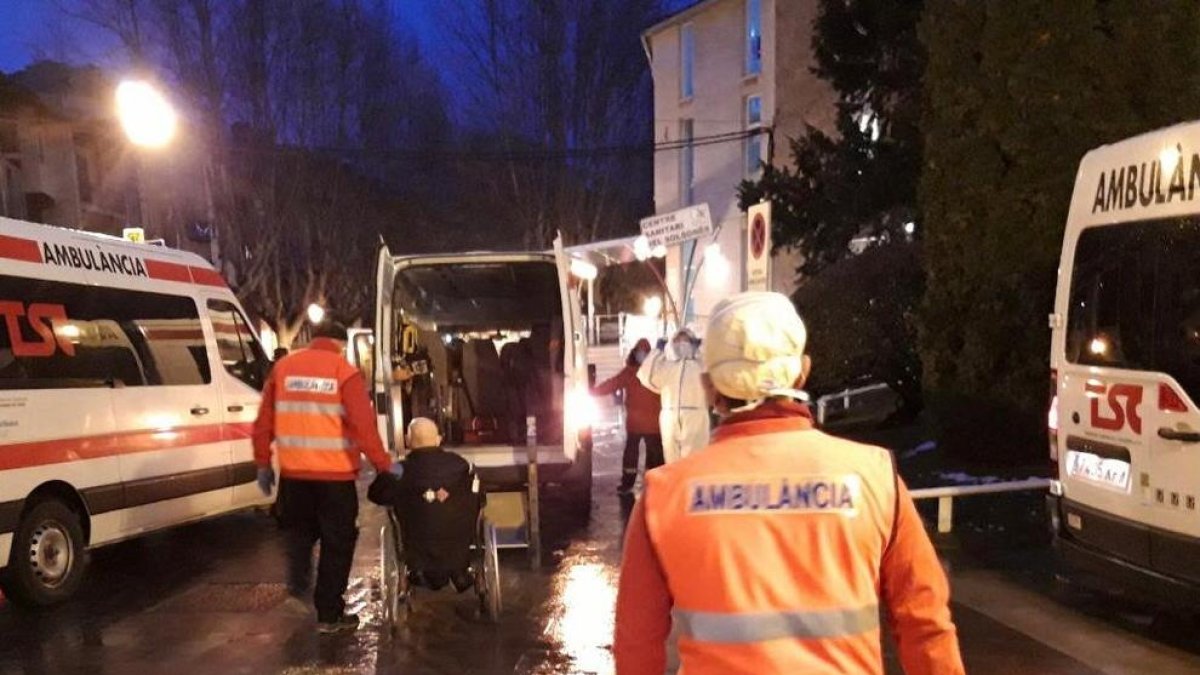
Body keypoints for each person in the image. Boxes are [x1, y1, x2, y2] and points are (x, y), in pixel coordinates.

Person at [614, 292, 964, 674]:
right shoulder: (873, 477)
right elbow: (925, 624)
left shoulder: (664, 495)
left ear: (710, 387)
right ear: (802, 372)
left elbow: (636, 643)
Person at [252, 321, 397, 634]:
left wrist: (263, 463)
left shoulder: (283, 368)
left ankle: (299, 585)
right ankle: (329, 614)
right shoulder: (344, 371)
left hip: (293, 477)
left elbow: (264, 422)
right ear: (340, 344)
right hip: (335, 478)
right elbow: (363, 427)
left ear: (314, 340)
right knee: (337, 543)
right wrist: (385, 464)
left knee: (299, 534)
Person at [382, 417, 481, 592]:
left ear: (407, 440)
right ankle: (459, 573)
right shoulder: (460, 465)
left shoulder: (398, 470)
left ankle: (419, 574)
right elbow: (479, 498)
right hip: (457, 548)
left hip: (416, 552)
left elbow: (376, 494)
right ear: (438, 439)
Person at [591, 339, 663, 493]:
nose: (641, 355)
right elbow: (613, 383)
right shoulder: (656, 371)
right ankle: (654, 484)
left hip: (637, 423)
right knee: (654, 455)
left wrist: (592, 392)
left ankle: (629, 483)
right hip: (652, 424)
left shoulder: (630, 372)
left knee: (633, 454)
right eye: (640, 352)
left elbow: (612, 384)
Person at [637, 327, 710, 462]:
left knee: (695, 462)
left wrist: (703, 347)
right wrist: (657, 352)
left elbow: (714, 369)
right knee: (672, 463)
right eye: (678, 341)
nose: (682, 344)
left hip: (696, 417)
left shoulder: (701, 365)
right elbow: (646, 376)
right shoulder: (667, 366)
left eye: (686, 340)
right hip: (669, 418)